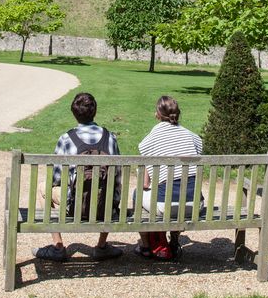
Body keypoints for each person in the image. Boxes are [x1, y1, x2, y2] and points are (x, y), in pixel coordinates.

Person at [34, 92, 123, 262]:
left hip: (75, 205)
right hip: (105, 206)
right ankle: (102, 246)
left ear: (74, 113)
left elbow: (56, 177)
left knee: (42, 186)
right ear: (94, 111)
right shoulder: (110, 137)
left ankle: (58, 246)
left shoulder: (66, 139)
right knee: (110, 188)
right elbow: (117, 176)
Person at [135, 95, 203, 260]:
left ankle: (145, 245)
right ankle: (174, 240)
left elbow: (145, 183)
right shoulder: (194, 138)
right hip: (194, 204)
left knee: (138, 193)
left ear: (157, 114)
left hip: (165, 205)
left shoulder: (148, 142)